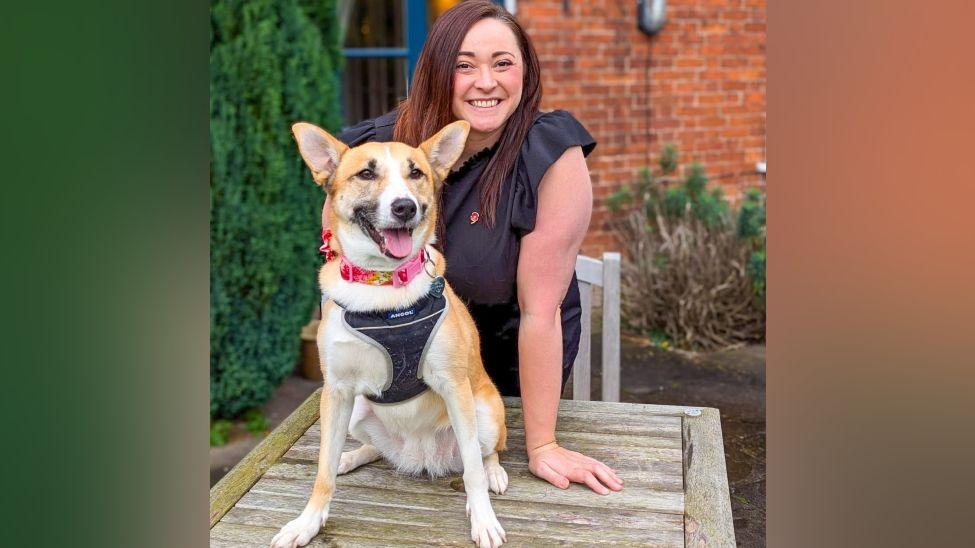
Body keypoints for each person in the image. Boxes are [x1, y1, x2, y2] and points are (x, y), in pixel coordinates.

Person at [324, 0, 622, 496]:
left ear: (525, 70)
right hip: (397, 390)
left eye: (503, 63)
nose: (487, 82)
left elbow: (541, 312)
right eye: (465, 65)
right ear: (439, 73)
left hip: (501, 382)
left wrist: (543, 445)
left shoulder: (550, 154)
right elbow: (341, 276)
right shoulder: (378, 150)